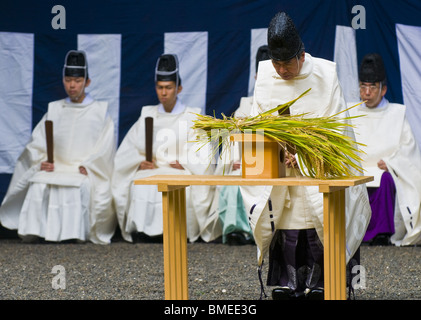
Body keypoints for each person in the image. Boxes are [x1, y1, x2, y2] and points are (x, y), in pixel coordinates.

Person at [239, 12, 371, 300]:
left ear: (301, 55)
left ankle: (324, 282)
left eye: (287, 63)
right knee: (286, 218)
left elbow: (336, 130)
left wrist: (304, 153)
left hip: (317, 167)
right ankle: (288, 283)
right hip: (282, 173)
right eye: (277, 63)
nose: (282, 70)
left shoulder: (325, 74)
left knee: (318, 218)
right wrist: (277, 149)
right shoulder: (265, 76)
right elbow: (259, 124)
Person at [0, 50, 116, 244]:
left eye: (77, 81)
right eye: (68, 80)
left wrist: (90, 165)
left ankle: (77, 233)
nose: (72, 85)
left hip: (82, 169)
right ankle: (38, 231)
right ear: (63, 80)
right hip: (56, 166)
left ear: (87, 82)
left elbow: (105, 148)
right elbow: (36, 142)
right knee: (39, 180)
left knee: (83, 184)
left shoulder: (100, 112)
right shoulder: (54, 109)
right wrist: (41, 162)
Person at [112, 54, 220, 243]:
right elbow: (129, 148)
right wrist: (139, 162)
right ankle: (143, 230)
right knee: (140, 182)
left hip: (181, 170)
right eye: (160, 88)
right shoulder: (147, 114)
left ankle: (179, 230)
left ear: (178, 88)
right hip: (152, 169)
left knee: (180, 183)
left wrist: (186, 164)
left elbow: (203, 151)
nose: (164, 93)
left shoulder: (192, 115)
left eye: (168, 88)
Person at [348, 53, 421, 246]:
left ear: (383, 89)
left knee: (387, 179)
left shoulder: (397, 113)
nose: (367, 93)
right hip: (357, 169)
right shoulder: (350, 112)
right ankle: (354, 232)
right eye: (363, 86)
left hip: (383, 171)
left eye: (372, 87)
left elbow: (409, 149)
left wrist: (392, 163)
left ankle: (381, 232)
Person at [212, 45, 270, 246]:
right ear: (255, 78)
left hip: (269, 168)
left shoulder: (282, 105)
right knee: (233, 181)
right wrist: (233, 161)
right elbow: (232, 140)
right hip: (244, 166)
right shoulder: (245, 107)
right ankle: (237, 230)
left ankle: (261, 231)